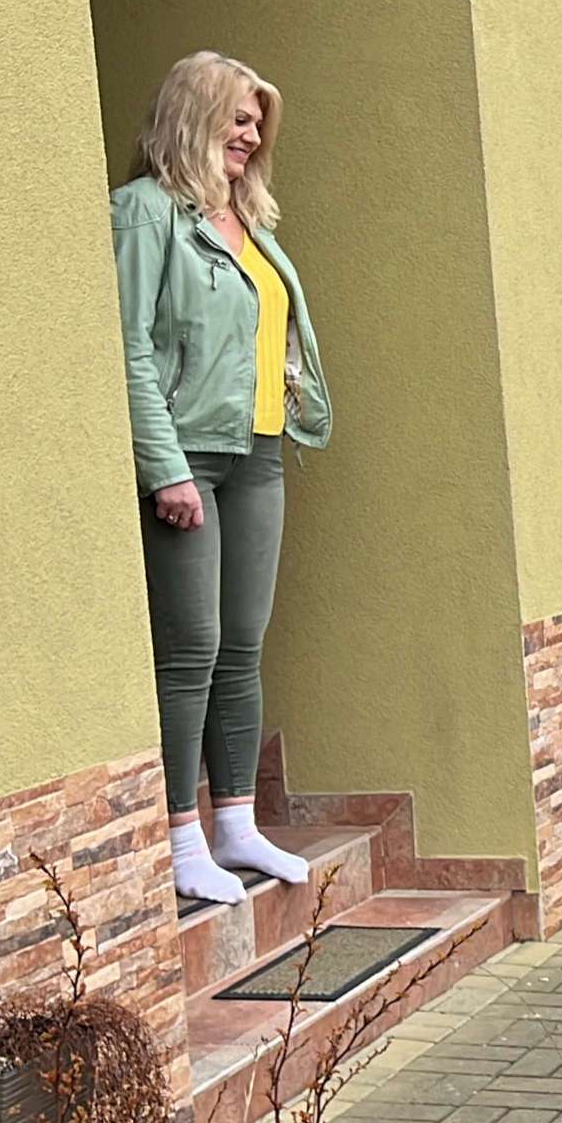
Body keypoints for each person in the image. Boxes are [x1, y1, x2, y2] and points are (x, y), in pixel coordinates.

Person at [114, 52, 335, 904]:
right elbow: (129, 347)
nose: (250, 135)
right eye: (237, 118)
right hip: (189, 460)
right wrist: (164, 467)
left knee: (243, 642)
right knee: (191, 649)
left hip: (258, 455)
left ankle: (236, 824)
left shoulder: (247, 220)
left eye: (257, 123)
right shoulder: (145, 213)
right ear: (193, 114)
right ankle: (180, 839)